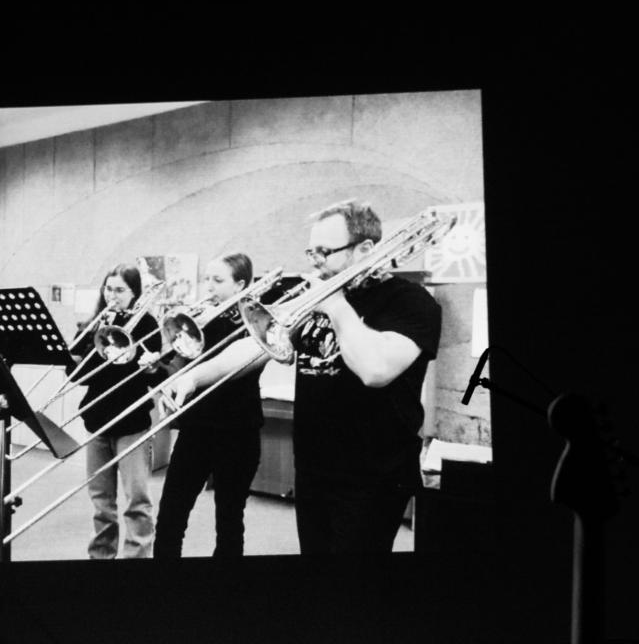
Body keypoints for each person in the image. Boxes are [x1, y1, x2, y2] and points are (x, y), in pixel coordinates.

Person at [170, 200, 441, 554]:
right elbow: (253, 348)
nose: (315, 262)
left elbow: (375, 370)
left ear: (365, 249)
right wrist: (193, 377)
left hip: (373, 477)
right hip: (314, 470)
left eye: (325, 252)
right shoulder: (312, 301)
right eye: (311, 252)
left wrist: (337, 304)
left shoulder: (410, 301)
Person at [154, 253, 268, 558]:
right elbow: (179, 372)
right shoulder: (199, 320)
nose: (209, 287)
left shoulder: (255, 322)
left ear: (240, 284)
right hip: (196, 430)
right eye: (207, 279)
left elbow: (242, 364)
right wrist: (164, 356)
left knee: (229, 520)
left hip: (239, 432)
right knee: (170, 516)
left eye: (217, 280)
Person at [69, 264, 164, 559]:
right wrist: (88, 341)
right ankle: (101, 555)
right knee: (101, 501)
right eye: (108, 289)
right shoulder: (93, 324)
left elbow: (155, 377)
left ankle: (136, 559)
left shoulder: (147, 324)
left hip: (131, 422)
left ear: (134, 293)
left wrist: (152, 367)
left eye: (120, 290)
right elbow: (77, 376)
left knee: (137, 499)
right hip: (97, 420)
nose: (112, 295)